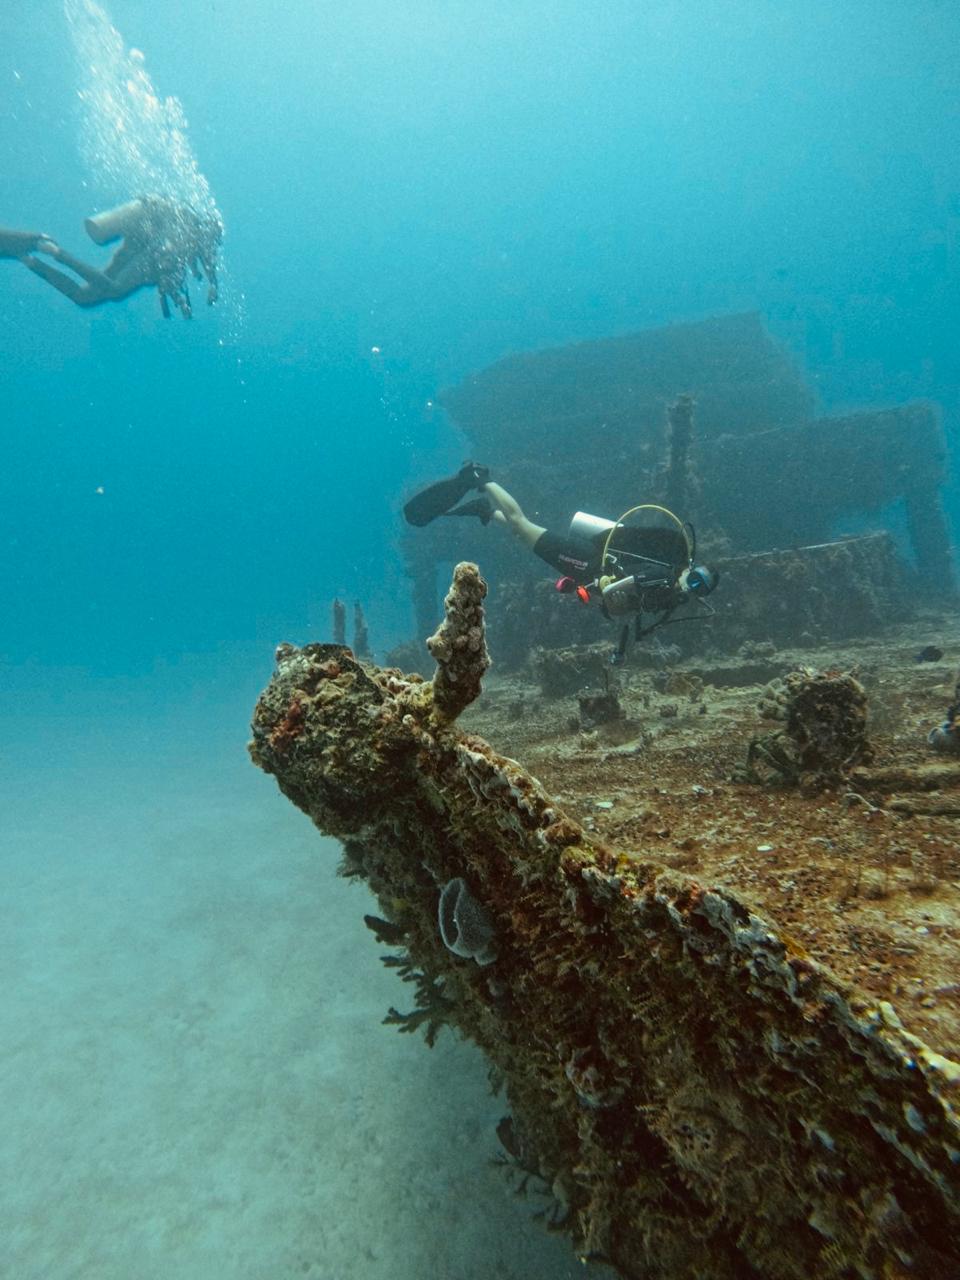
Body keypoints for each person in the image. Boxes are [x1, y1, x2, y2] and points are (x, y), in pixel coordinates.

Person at [404, 463, 719, 658]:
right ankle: (481, 479)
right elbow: (620, 585)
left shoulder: (667, 598)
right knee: (522, 524)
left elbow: (627, 614)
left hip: (584, 570)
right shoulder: (659, 577)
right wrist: (597, 586)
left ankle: (487, 511)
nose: (691, 589)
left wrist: (620, 649)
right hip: (585, 561)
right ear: (689, 569)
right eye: (694, 579)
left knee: (522, 533)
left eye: (699, 589)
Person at [15, 195, 222, 318]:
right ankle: (55, 253)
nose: (213, 243)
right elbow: (170, 255)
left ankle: (31, 260)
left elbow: (200, 272)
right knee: (114, 290)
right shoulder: (188, 233)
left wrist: (189, 297)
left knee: (84, 297)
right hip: (149, 257)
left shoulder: (197, 245)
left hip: (145, 252)